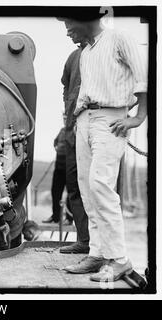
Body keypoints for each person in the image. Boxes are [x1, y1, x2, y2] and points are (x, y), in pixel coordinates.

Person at [59, 9, 148, 282]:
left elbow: (145, 76)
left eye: (69, 23)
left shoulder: (119, 38)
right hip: (84, 118)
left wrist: (139, 116)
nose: (67, 30)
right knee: (87, 188)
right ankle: (97, 252)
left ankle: (119, 258)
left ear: (86, 18)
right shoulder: (85, 53)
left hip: (110, 118)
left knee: (100, 184)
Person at [56, 17, 90, 254]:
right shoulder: (72, 57)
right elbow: (66, 87)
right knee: (74, 185)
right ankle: (84, 241)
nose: (67, 31)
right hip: (71, 132)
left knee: (95, 187)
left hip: (93, 129)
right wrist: (70, 117)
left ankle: (101, 245)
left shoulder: (102, 52)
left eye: (70, 25)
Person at [42, 114, 72, 225]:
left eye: (66, 118)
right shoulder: (62, 130)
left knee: (71, 193)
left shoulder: (74, 130)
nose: (65, 120)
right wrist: (57, 147)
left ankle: (69, 219)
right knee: (55, 191)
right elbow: (55, 142)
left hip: (70, 167)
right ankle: (55, 217)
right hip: (59, 166)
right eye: (63, 118)